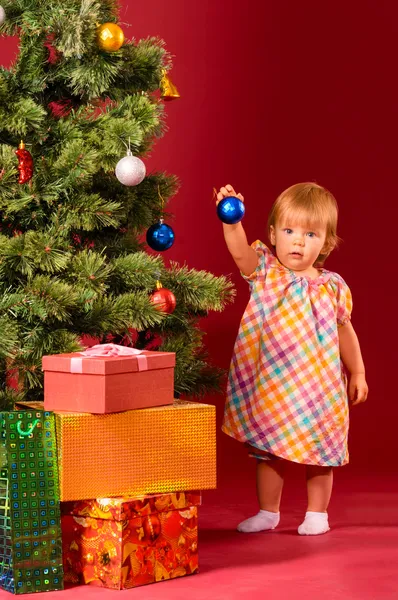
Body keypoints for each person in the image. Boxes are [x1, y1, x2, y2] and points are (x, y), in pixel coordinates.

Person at [218, 182, 368, 536]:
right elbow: (240, 253)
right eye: (289, 231)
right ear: (273, 234)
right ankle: (268, 512)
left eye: (310, 234)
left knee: (320, 450)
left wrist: (358, 370)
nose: (298, 241)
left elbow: (345, 331)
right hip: (273, 383)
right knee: (269, 451)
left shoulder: (332, 286)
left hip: (318, 387)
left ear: (326, 243)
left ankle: (318, 513)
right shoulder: (267, 272)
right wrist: (231, 219)